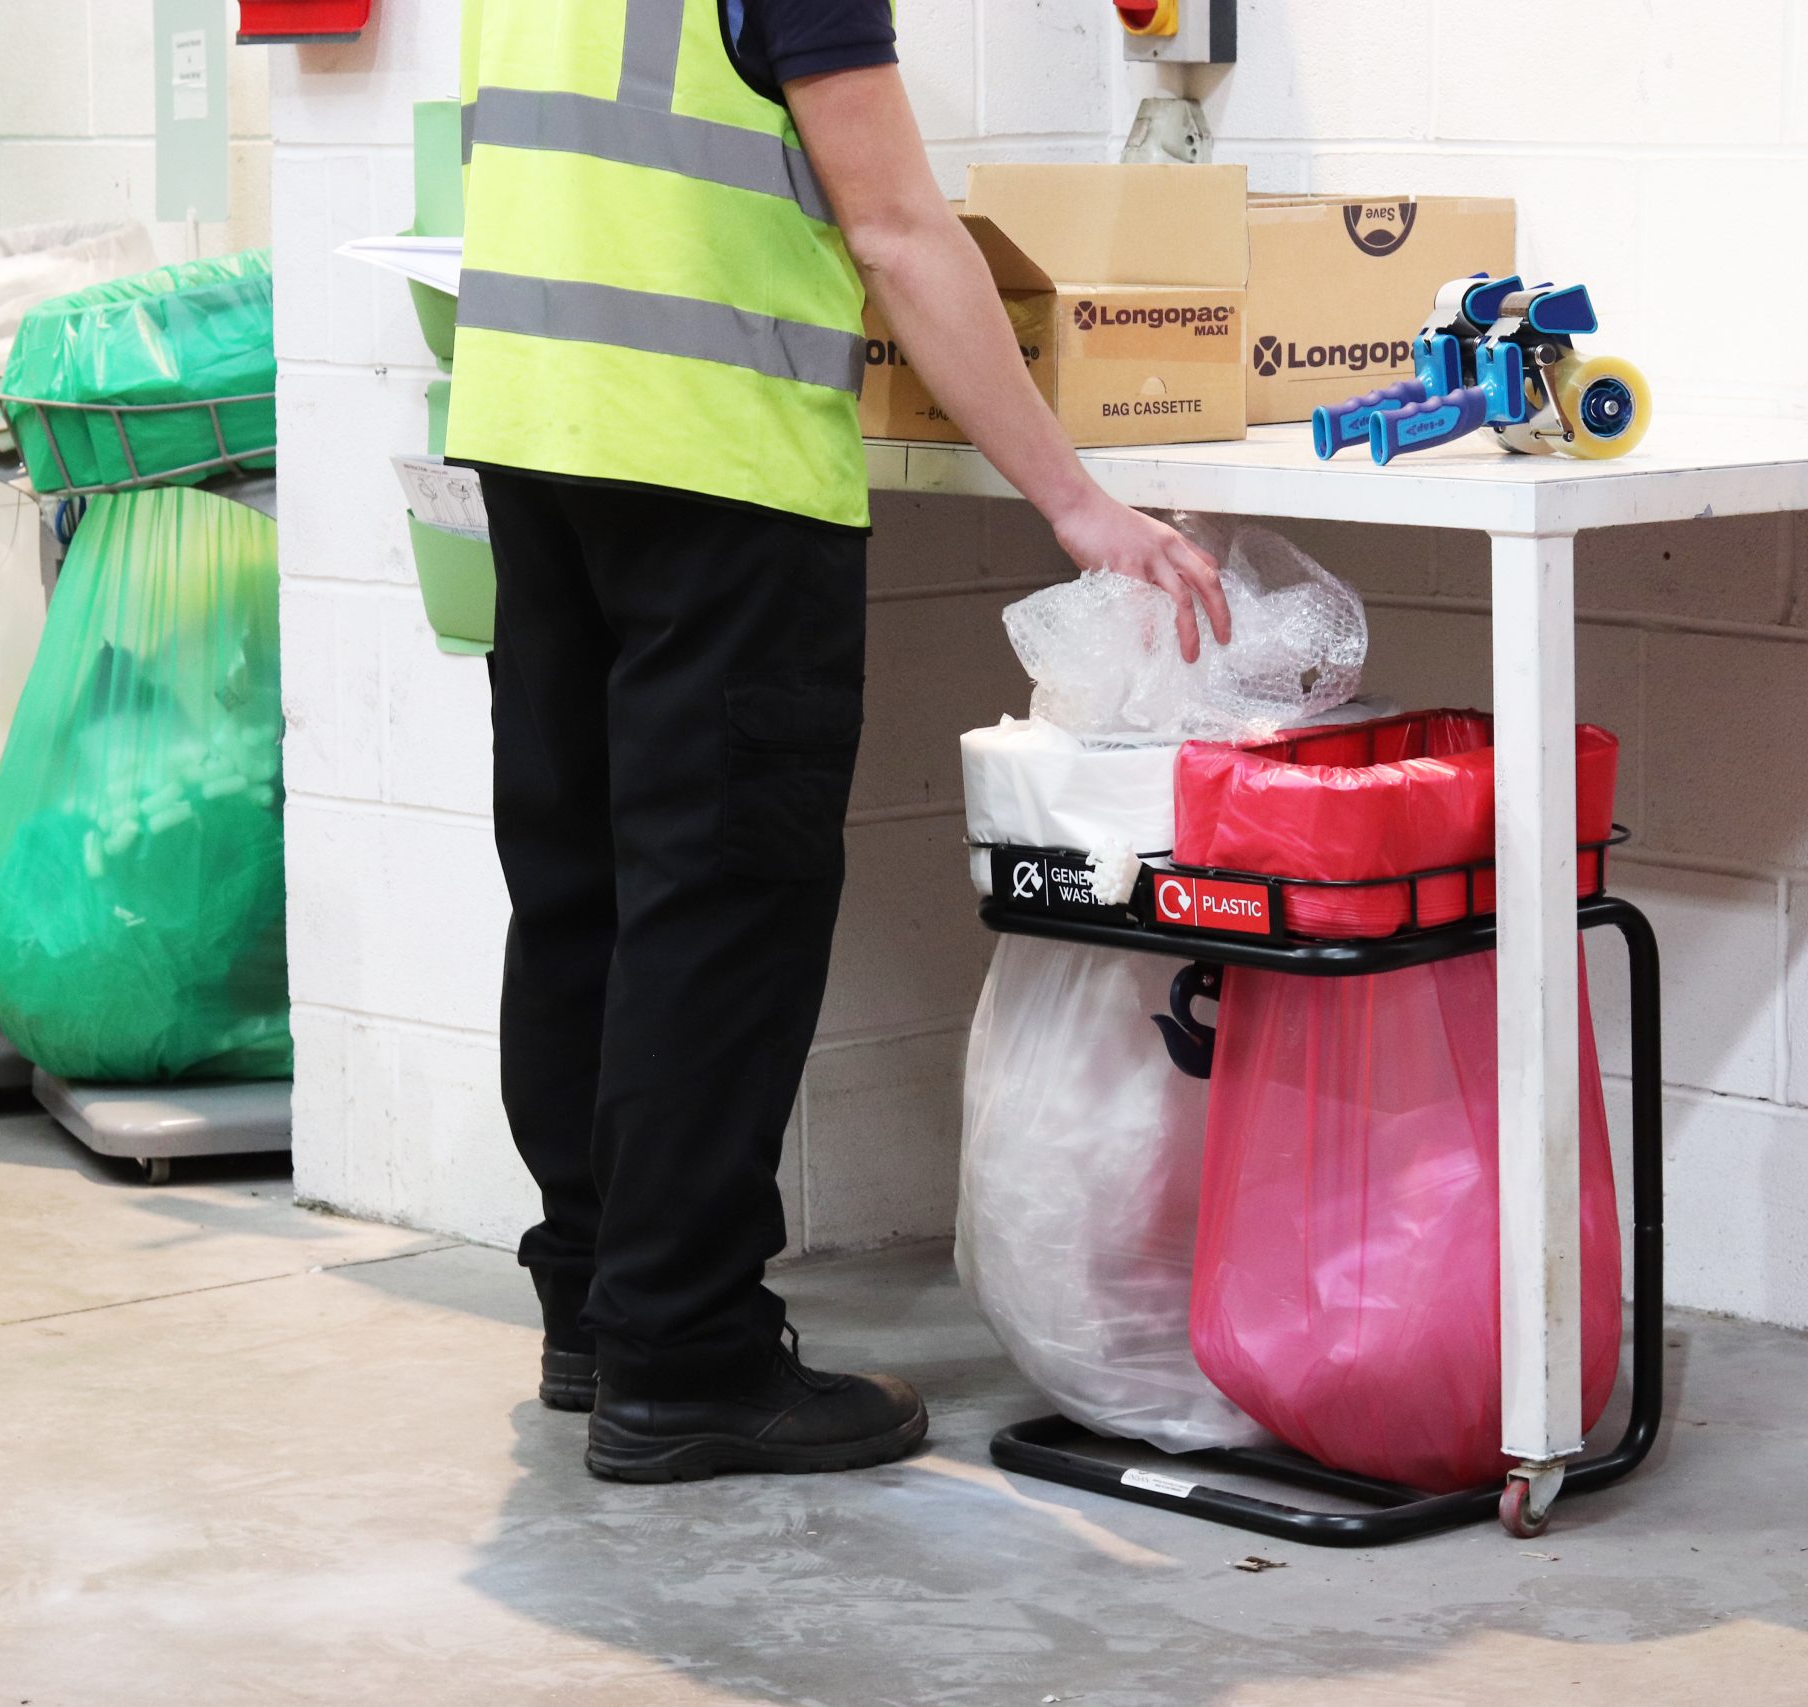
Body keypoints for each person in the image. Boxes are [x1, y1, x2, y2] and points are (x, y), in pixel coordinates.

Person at [444, 0, 1230, 1483]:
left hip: (538, 442)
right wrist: (1073, 501)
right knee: (716, 909)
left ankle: (599, 1307)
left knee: (584, 898)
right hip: (718, 461)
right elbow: (897, 233)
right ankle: (686, 1359)